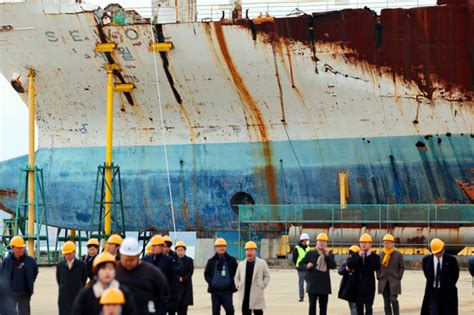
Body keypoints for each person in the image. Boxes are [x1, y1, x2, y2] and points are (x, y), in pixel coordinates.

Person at [72, 252, 137, 315]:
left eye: (111, 268)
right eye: (103, 268)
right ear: (97, 271)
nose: (107, 272)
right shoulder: (86, 294)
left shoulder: (124, 293)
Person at [116, 237, 168, 315]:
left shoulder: (153, 273)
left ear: (137, 256)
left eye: (131, 260)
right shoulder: (113, 270)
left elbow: (163, 295)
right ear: (121, 255)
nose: (128, 263)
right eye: (125, 259)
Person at [299, 233, 336, 315]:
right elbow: (300, 264)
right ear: (316, 242)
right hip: (313, 285)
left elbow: (333, 266)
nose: (321, 243)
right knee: (312, 307)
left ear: (326, 243)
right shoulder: (311, 253)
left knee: (323, 308)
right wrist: (306, 266)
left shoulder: (329, 254)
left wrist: (327, 255)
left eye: (323, 241)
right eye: (319, 241)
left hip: (324, 286)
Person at [0, 235, 38, 315]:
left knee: (24, 313)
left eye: (22, 247)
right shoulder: (6, 262)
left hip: (24, 293)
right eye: (19, 248)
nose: (21, 249)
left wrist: (29, 282)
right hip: (10, 294)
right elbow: (2, 275)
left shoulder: (30, 261)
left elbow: (35, 272)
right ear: (13, 248)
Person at [421, 238, 459, 315]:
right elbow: (427, 274)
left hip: (447, 292)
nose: (440, 253)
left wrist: (448, 285)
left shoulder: (451, 260)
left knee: (447, 311)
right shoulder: (426, 260)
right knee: (432, 311)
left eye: (441, 251)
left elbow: (455, 275)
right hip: (432, 291)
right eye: (437, 252)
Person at [347, 233, 380, 315]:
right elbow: (350, 266)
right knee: (359, 309)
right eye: (362, 243)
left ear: (370, 244)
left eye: (365, 243)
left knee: (369, 308)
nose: (363, 245)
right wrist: (358, 257)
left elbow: (376, 267)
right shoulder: (355, 255)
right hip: (358, 287)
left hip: (369, 287)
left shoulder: (375, 256)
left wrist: (369, 257)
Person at [143, 235, 176, 315]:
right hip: (148, 297)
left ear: (161, 246)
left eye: (155, 246)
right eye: (152, 245)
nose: (152, 247)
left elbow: (172, 280)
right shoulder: (145, 259)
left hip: (162, 298)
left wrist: (171, 299)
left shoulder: (168, 260)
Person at [204, 238, 238, 315]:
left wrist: (231, 282)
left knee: (230, 310)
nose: (221, 248)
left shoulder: (231, 260)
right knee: (215, 311)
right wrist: (212, 282)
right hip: (215, 291)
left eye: (223, 246)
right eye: (219, 246)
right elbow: (206, 274)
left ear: (226, 248)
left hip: (227, 291)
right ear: (215, 248)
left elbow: (237, 273)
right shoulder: (211, 261)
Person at [235, 241, 270, 315]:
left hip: (257, 293)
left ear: (255, 252)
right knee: (246, 312)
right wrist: (239, 286)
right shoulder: (241, 264)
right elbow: (236, 278)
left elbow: (267, 275)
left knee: (258, 312)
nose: (249, 252)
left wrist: (262, 285)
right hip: (245, 294)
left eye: (251, 250)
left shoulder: (261, 263)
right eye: (247, 250)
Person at [56, 241, 88, 315]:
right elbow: (59, 280)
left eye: (69, 254)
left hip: (77, 295)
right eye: (65, 254)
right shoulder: (60, 266)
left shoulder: (81, 265)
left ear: (74, 252)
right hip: (64, 297)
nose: (67, 256)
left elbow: (84, 279)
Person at [377, 234, 405, 315]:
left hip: (394, 281)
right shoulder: (380, 254)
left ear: (393, 243)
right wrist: (378, 276)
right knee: (386, 303)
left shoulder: (398, 254)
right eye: (385, 243)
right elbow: (377, 267)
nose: (387, 244)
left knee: (393, 299)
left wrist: (398, 277)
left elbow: (402, 267)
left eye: (388, 243)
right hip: (383, 281)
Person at [338, 245, 360, 315]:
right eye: (350, 253)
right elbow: (340, 271)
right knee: (352, 306)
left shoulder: (360, 263)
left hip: (357, 288)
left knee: (354, 306)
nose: (351, 255)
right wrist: (346, 269)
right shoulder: (346, 262)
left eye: (353, 253)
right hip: (348, 288)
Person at [175, 241, 194, 315]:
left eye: (181, 250)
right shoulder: (173, 260)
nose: (180, 252)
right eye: (178, 250)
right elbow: (172, 272)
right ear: (176, 251)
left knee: (183, 309)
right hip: (176, 287)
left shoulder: (189, 260)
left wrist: (183, 278)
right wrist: (178, 278)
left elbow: (190, 272)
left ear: (185, 250)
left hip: (186, 287)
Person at [163, 235, 180, 315]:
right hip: (161, 288)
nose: (166, 248)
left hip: (172, 288)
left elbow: (179, 268)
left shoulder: (175, 256)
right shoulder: (156, 257)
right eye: (164, 246)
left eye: (168, 246)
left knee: (171, 310)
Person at [292, 232, 311, 302]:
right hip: (300, 268)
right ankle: (301, 297)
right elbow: (294, 259)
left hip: (307, 267)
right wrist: (298, 266)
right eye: (306, 240)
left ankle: (312, 295)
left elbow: (310, 256)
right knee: (301, 283)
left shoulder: (308, 247)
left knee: (310, 282)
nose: (307, 241)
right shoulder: (296, 248)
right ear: (303, 240)